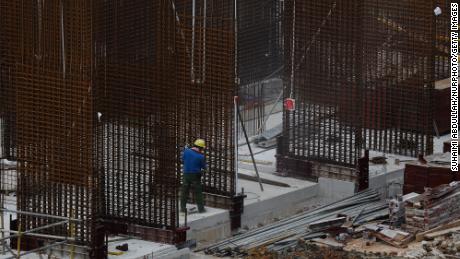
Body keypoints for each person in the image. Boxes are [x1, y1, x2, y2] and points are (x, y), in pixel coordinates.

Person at [180, 139, 207, 213]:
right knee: (198, 192)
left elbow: (182, 159)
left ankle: (182, 208)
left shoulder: (186, 151)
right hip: (195, 176)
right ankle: (201, 209)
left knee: (184, 192)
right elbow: (204, 167)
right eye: (202, 149)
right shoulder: (201, 156)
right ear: (200, 148)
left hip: (186, 174)